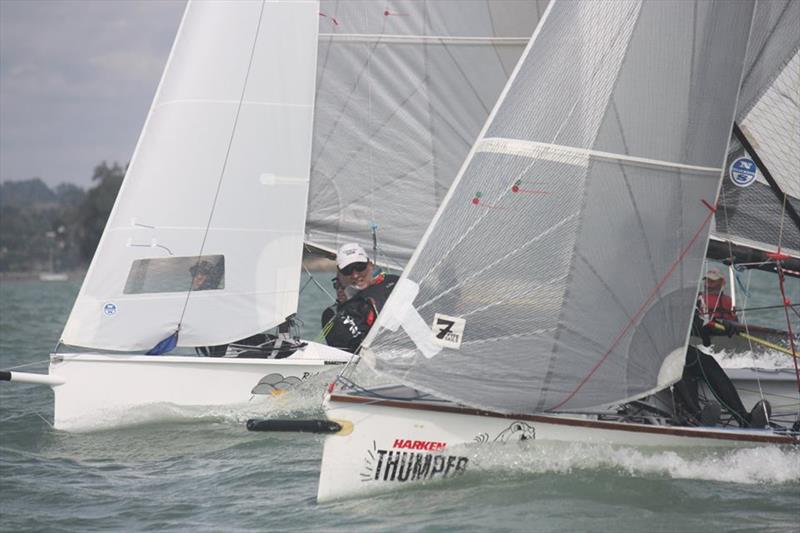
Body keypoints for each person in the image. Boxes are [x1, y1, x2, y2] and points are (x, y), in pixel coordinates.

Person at [323, 243, 399, 352]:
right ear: (339, 275)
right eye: (347, 270)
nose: (355, 275)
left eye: (360, 267)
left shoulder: (357, 306)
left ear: (370, 265)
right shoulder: (395, 279)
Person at [692, 268, 738, 346]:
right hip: (704, 330)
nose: (708, 283)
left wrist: (732, 325)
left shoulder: (729, 300)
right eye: (707, 280)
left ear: (721, 282)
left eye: (712, 281)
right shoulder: (698, 298)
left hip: (724, 330)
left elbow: (735, 320)